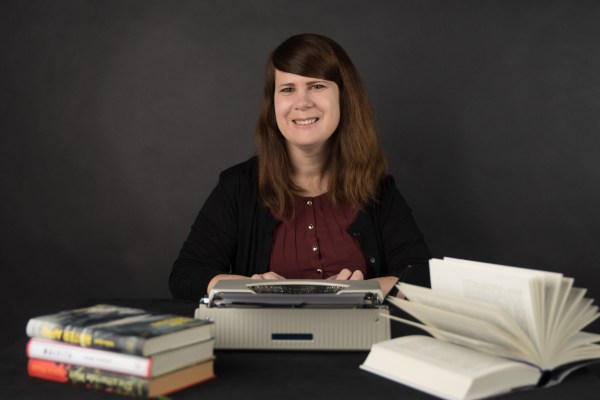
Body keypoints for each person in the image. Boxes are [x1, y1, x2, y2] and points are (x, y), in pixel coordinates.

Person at [169, 33, 431, 302]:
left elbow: (423, 277)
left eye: (316, 86)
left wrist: (361, 291)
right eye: (287, 89)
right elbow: (185, 276)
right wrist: (250, 287)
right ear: (273, 103)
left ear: (344, 97)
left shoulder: (377, 188)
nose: (302, 102)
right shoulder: (237, 186)